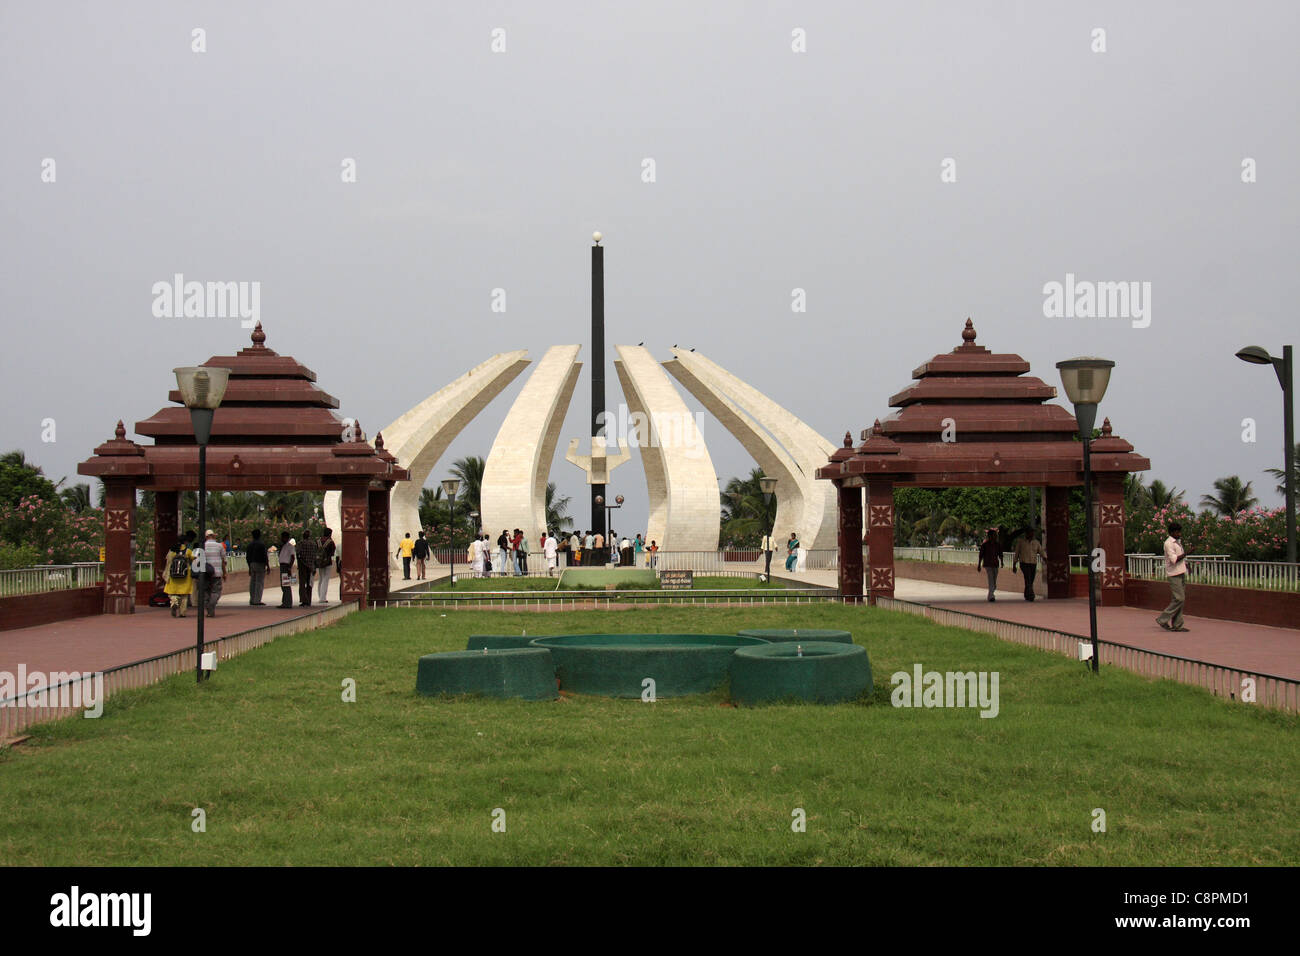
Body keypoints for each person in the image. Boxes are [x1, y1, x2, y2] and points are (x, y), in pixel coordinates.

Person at [1156, 521, 1190, 632]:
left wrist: (1186, 565)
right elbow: (1174, 560)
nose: (1179, 534)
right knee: (1179, 598)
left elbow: (1180, 559)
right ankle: (1162, 619)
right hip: (1173, 574)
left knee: (1180, 599)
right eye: (1177, 532)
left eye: (1179, 532)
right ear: (1171, 532)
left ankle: (1177, 624)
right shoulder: (1168, 543)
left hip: (1180, 572)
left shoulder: (1177, 542)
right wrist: (1187, 553)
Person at [163, 536, 193, 617]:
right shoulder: (188, 551)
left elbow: (168, 561)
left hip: (173, 576)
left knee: (173, 593)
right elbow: (194, 558)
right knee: (184, 595)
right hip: (185, 576)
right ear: (185, 542)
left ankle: (174, 601)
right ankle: (182, 613)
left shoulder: (172, 551)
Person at [1014, 528, 1044, 602]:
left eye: (1032, 533)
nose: (1031, 535)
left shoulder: (1036, 542)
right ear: (1026, 534)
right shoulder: (1021, 542)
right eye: (1030, 533)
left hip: (1033, 563)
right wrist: (1014, 564)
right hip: (1024, 563)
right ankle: (1031, 595)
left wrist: (1045, 558)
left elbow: (1041, 551)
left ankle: (1027, 594)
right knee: (1028, 578)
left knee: (1031, 580)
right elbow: (1017, 553)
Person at [202, 529, 226, 617]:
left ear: (206, 537)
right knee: (216, 591)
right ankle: (212, 605)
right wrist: (225, 573)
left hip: (205, 573)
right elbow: (223, 561)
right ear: (213, 536)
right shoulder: (219, 546)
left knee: (206, 591)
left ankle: (208, 608)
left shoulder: (202, 546)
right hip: (217, 572)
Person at [977, 528, 1002, 602]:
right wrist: (979, 564)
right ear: (990, 536)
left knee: (994, 581)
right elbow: (981, 555)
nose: (994, 537)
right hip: (988, 564)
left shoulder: (997, 545)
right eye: (993, 535)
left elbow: (1000, 553)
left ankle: (991, 593)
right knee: (991, 579)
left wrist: (1002, 561)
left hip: (995, 564)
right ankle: (991, 596)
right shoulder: (985, 545)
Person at [245, 529, 269, 606]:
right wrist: (268, 565)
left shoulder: (250, 545)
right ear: (259, 535)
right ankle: (257, 600)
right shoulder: (261, 544)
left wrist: (249, 566)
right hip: (260, 564)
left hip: (252, 564)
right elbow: (265, 556)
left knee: (253, 582)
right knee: (259, 582)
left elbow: (247, 557)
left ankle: (252, 599)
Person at [297, 529, 317, 607]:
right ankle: (309, 600)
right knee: (309, 584)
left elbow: (298, 553)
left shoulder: (301, 543)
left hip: (303, 565)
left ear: (303, 536)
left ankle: (304, 600)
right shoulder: (313, 544)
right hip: (311, 566)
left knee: (302, 583)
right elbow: (315, 555)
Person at [316, 528, 336, 604]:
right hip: (327, 563)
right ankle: (323, 598)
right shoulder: (330, 542)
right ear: (330, 534)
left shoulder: (318, 541)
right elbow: (332, 553)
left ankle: (320, 596)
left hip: (319, 563)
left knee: (321, 579)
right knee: (325, 579)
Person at [277, 532, 296, 608]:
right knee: (283, 585)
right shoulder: (284, 546)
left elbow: (292, 557)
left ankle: (287, 603)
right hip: (282, 566)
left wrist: (289, 567)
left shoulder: (290, 546)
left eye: (282, 537)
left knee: (286, 585)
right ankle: (285, 601)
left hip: (286, 566)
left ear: (286, 537)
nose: (281, 539)